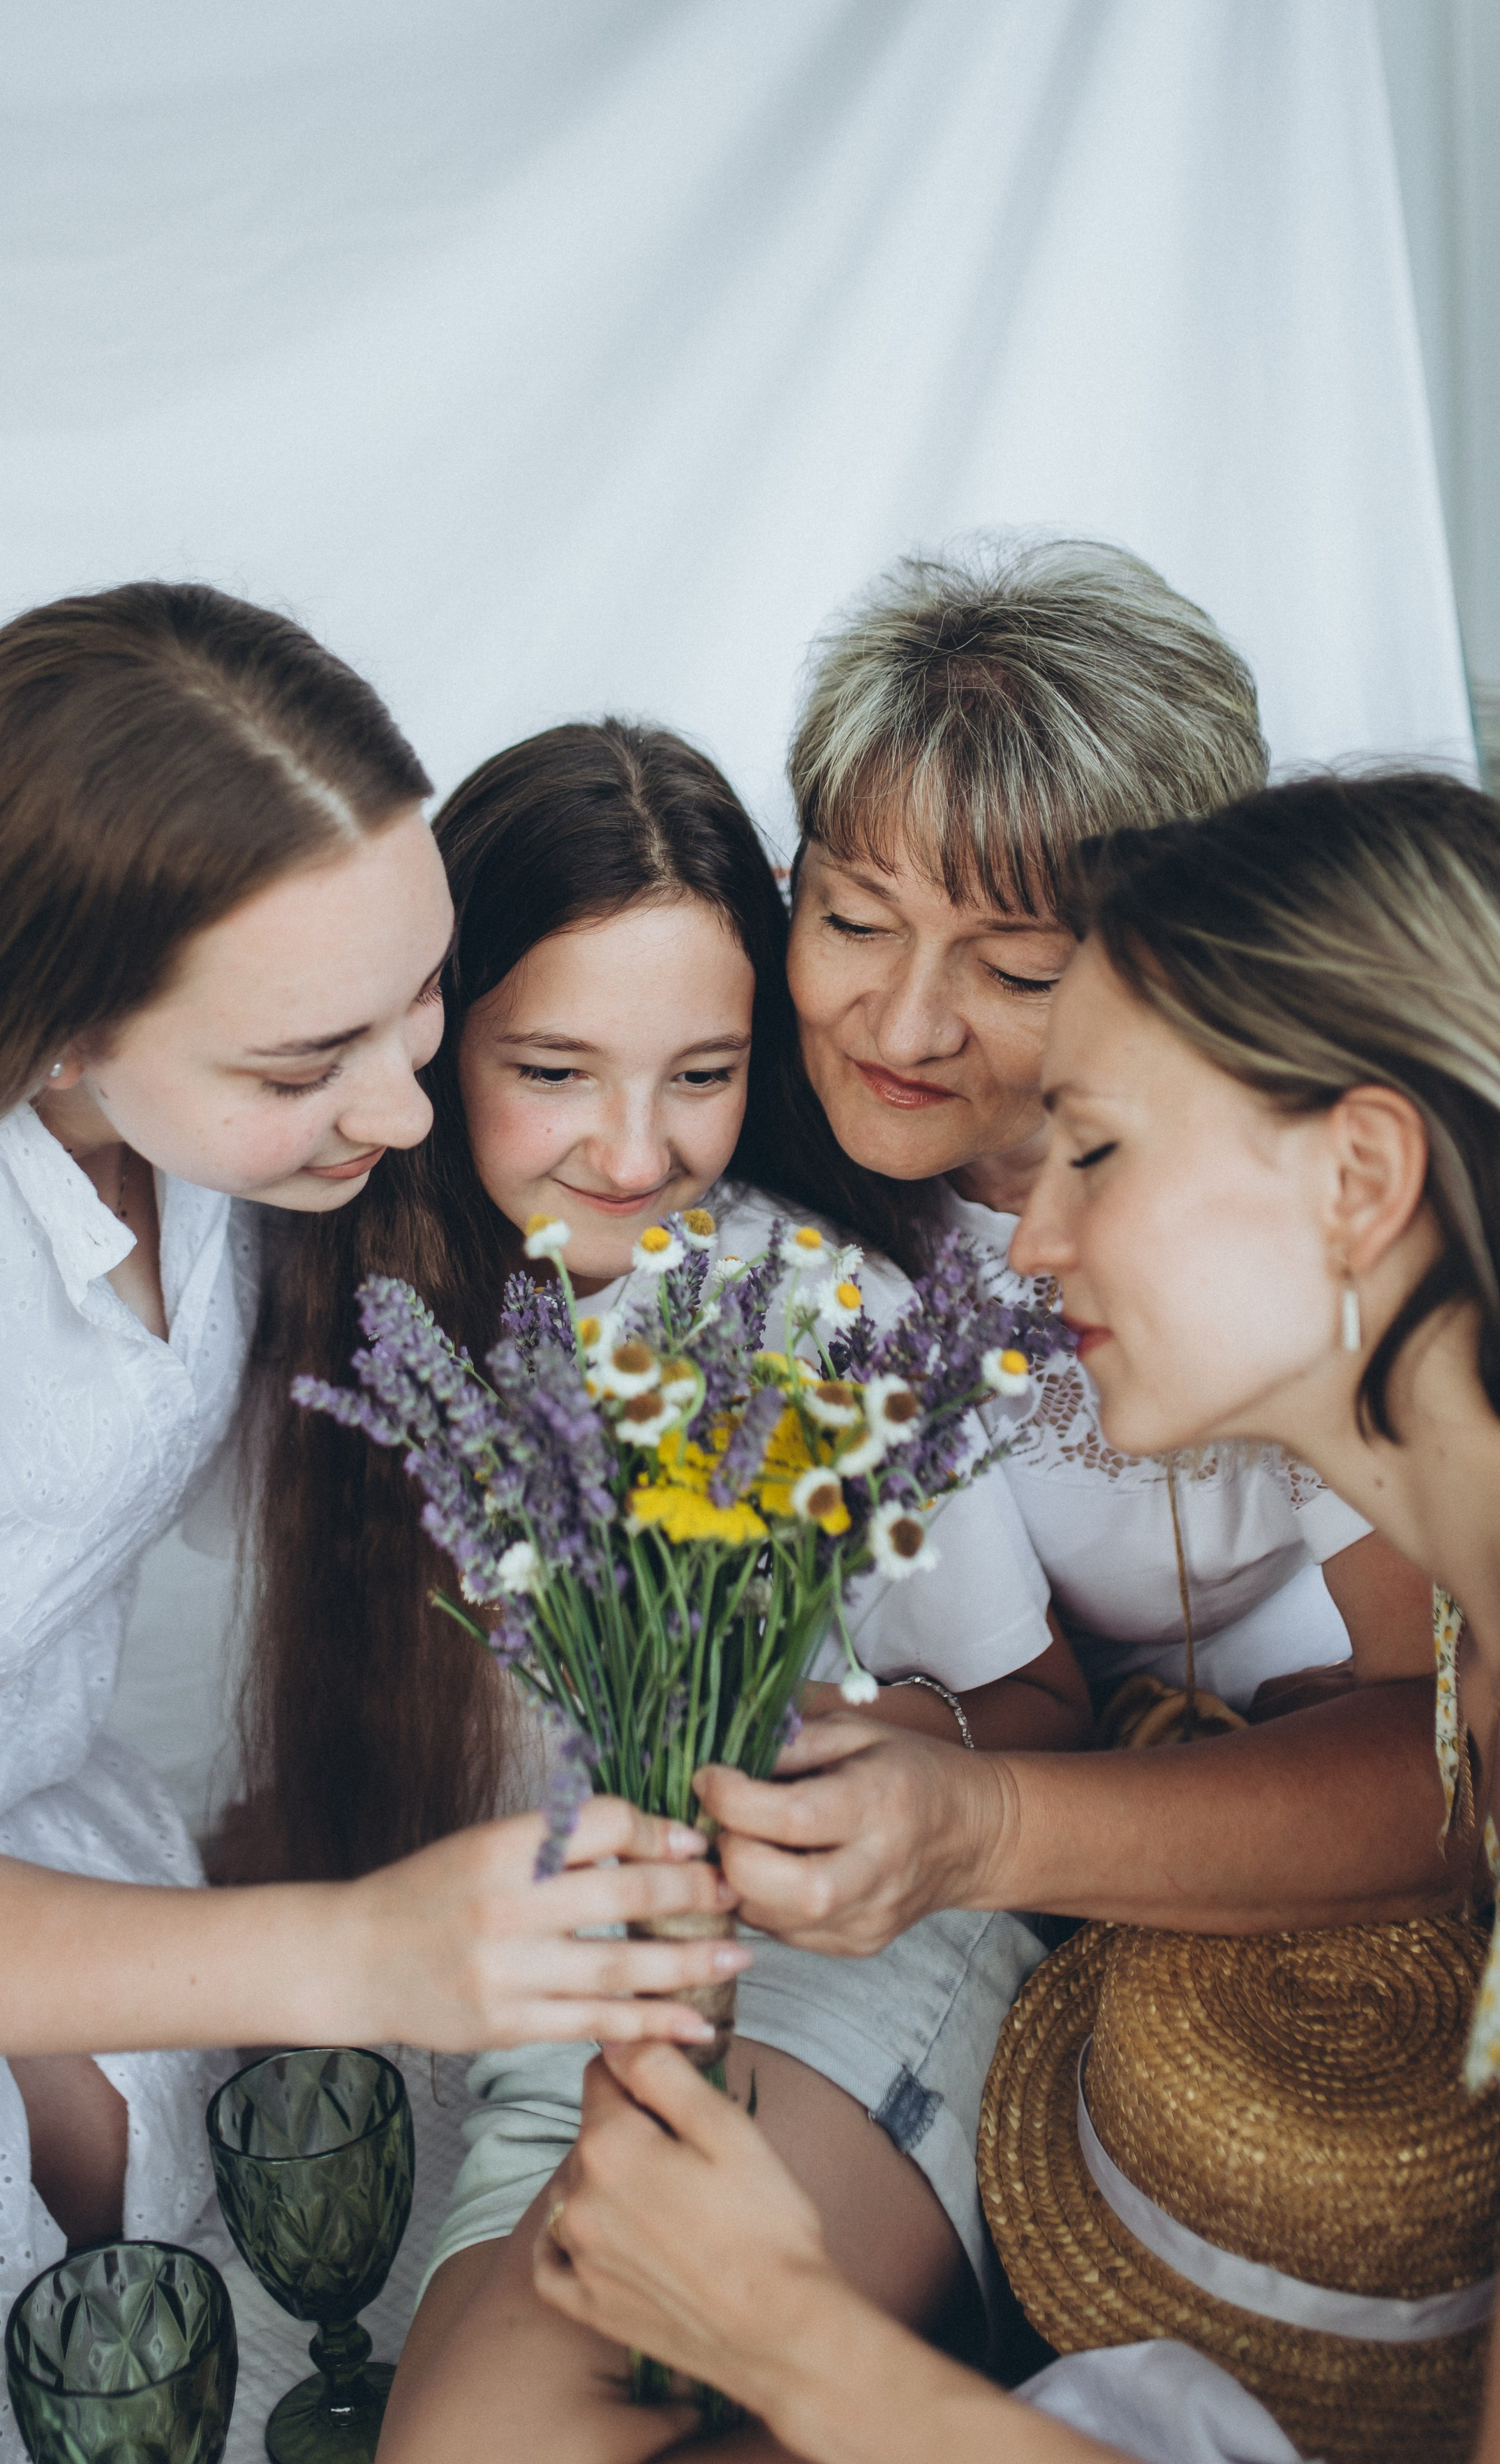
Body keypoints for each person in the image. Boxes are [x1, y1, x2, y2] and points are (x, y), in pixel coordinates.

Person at [384, 545, 1448, 2464]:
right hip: (887, 1896)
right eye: (853, 916)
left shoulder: (1265, 1219)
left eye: (1023, 972)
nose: (908, 1020)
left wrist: (978, 1792)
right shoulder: (727, 1166)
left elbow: (1449, 1753)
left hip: (1237, 1926)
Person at [0, 587, 736, 2459]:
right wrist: (357, 1949)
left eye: (423, 989)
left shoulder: (215, 1140)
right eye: (303, 1065)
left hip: (36, 1877)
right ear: (55, 1027)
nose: (406, 1096)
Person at [236, 718, 1088, 2463]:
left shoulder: (820, 1312)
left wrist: (857, 1747)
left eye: (699, 1074)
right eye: (553, 1071)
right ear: (425, 1037)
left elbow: (1040, 1703)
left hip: (828, 1972)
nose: (635, 1153)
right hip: (557, 2015)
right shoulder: (348, 1304)